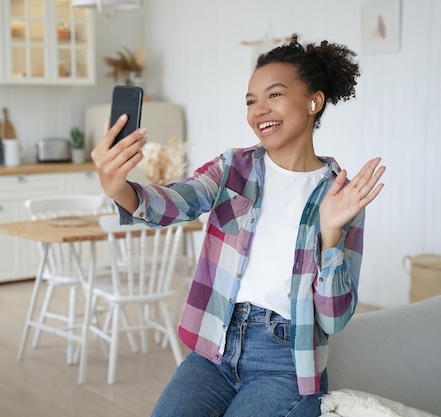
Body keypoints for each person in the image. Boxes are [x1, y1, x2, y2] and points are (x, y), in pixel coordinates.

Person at [91, 34, 386, 417]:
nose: (259, 110)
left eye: (274, 95)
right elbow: (176, 201)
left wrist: (330, 235)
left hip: (285, 364)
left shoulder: (341, 197)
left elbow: (334, 317)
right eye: (251, 101)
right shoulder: (233, 167)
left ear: (314, 101)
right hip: (214, 348)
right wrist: (118, 187)